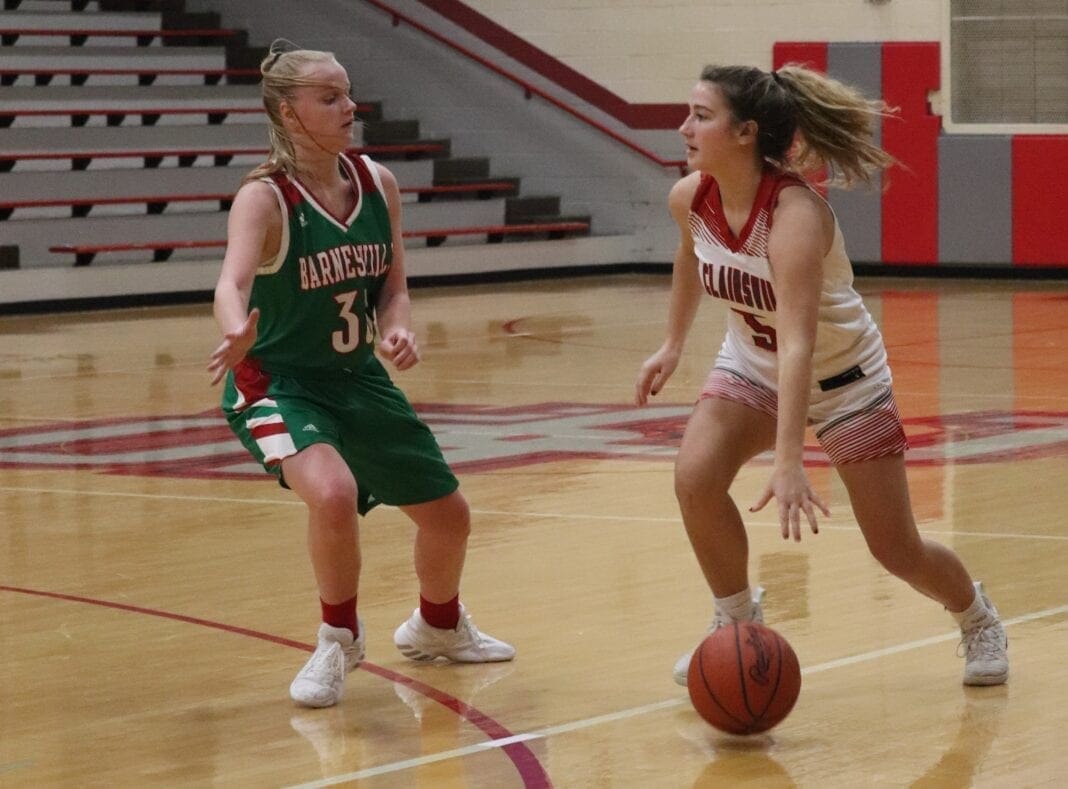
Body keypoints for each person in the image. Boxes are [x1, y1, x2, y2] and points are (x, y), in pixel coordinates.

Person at [634, 64, 1008, 688]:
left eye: (701, 115)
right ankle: (733, 623)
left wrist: (787, 459)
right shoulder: (689, 196)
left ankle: (976, 615)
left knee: (896, 550)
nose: (684, 127)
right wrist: (672, 343)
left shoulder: (794, 216)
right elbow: (688, 255)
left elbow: (799, 343)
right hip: (752, 368)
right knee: (695, 478)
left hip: (844, 385)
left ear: (747, 132)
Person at [207, 41, 514, 709]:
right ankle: (338, 638)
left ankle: (437, 627)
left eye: (348, 94)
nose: (351, 107)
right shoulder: (264, 198)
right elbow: (228, 283)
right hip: (276, 379)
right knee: (334, 492)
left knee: (449, 516)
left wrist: (398, 325)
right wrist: (234, 327)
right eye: (331, 97)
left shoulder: (377, 183)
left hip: (354, 377)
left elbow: (393, 286)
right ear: (290, 114)